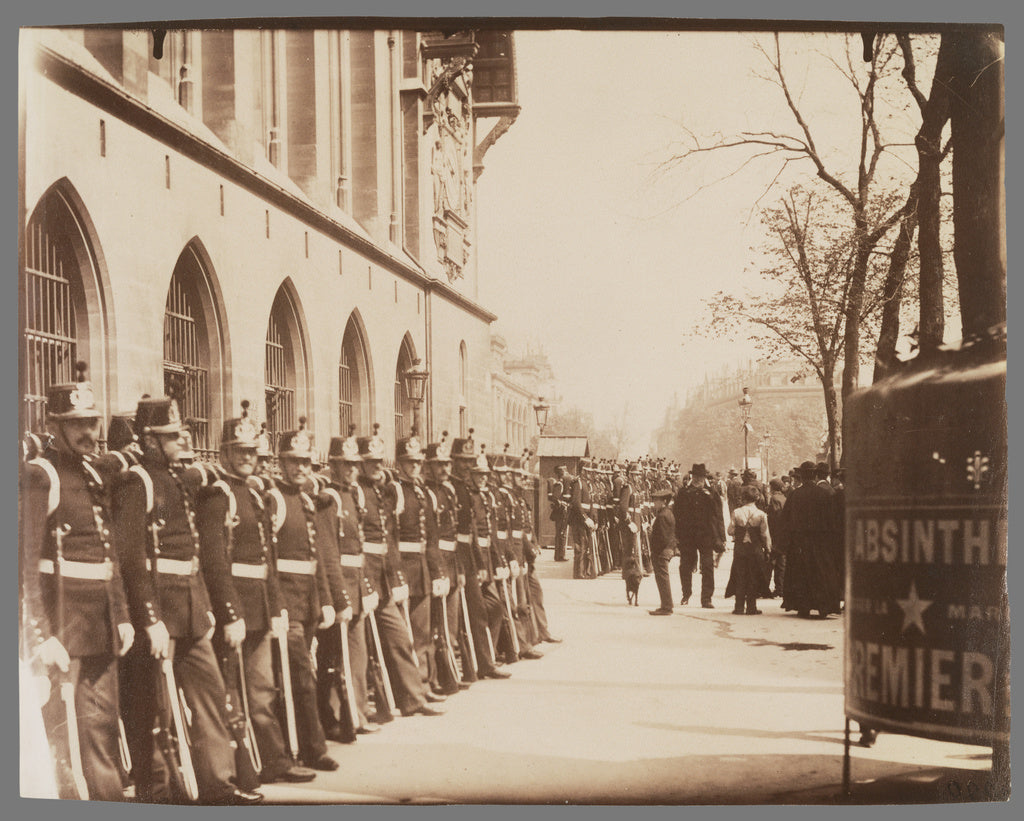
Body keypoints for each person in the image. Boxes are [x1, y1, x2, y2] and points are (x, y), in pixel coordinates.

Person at [113, 394, 264, 805]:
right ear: (148, 441)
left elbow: (195, 548)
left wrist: (206, 606)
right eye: (169, 437)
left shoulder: (180, 478)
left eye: (178, 435)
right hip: (160, 611)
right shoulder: (137, 481)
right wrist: (148, 618)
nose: (179, 442)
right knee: (154, 710)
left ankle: (219, 784)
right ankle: (158, 794)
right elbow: (130, 557)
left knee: (211, 695)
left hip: (192, 609)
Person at [20, 363, 135, 801]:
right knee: (64, 737)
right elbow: (23, 565)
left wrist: (122, 614)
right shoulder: (40, 474)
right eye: (77, 424)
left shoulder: (91, 473)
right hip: (64, 624)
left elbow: (109, 555)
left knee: (102, 727)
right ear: (54, 426)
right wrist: (41, 634)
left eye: (91, 422)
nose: (88, 432)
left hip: (100, 622)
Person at [194, 402, 316, 785]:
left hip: (262, 606)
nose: (247, 458)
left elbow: (270, 558)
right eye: (239, 451)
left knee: (262, 690)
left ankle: (274, 762)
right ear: (225, 452)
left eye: (252, 452)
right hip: (236, 608)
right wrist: (230, 614)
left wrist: (277, 606)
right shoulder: (218, 495)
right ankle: (241, 770)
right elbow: (214, 561)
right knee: (230, 692)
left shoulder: (255, 494)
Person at [263, 420, 343, 771]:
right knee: (299, 675)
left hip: (308, 602)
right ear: (281, 463)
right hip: (285, 604)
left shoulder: (308, 500)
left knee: (299, 675)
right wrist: (277, 606)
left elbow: (318, 556)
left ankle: (301, 744)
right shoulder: (273, 498)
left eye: (306, 462)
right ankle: (311, 747)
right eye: (293, 461)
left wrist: (325, 599)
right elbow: (266, 558)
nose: (300, 468)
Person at [357, 424, 448, 715]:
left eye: (418, 462)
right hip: (367, 576)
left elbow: (397, 537)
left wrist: (434, 573)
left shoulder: (398, 490)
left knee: (403, 636)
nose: (415, 467)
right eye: (409, 462)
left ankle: (414, 696)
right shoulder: (380, 490)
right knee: (374, 642)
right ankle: (376, 698)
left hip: (390, 574)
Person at [450, 431, 511, 679]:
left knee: (492, 607)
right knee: (469, 614)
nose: (467, 465)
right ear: (454, 461)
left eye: (470, 461)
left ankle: (485, 661)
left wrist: (479, 561)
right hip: (453, 559)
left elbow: (473, 529)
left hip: (471, 558)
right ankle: (476, 665)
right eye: (463, 461)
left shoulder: (465, 488)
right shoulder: (452, 489)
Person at [779, 461, 842, 618]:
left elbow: (785, 520)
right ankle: (823, 607)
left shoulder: (794, 495)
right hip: (821, 541)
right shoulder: (825, 495)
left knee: (800, 573)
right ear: (815, 475)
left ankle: (803, 606)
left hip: (799, 542)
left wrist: (785, 542)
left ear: (801, 475)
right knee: (821, 573)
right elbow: (832, 521)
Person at [673, 463, 726, 608]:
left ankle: (706, 598)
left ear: (704, 478)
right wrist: (676, 536)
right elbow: (676, 515)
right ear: (692, 477)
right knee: (685, 566)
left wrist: (722, 537)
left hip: (706, 535)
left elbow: (718, 516)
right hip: (687, 536)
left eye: (700, 477)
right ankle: (686, 594)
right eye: (695, 477)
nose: (698, 479)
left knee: (708, 567)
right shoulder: (684, 493)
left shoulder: (712, 493)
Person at [725, 485, 772, 614]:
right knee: (753, 577)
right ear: (756, 498)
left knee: (740, 576)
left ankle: (739, 607)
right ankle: (752, 607)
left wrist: (740, 532)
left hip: (740, 548)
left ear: (744, 498)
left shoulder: (737, 512)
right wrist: (768, 549)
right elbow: (764, 534)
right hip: (755, 549)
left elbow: (730, 531)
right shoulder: (761, 514)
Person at [647, 489, 678, 616]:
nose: (654, 503)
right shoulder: (667, 513)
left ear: (664, 501)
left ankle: (666, 606)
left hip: (661, 552)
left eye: (657, 500)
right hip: (665, 551)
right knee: (662, 578)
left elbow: (664, 537)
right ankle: (666, 605)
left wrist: (652, 537)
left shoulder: (663, 515)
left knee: (662, 579)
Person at [765, 478, 788, 597]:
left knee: (770, 562)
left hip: (775, 534)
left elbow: (773, 517)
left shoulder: (773, 498)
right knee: (781, 563)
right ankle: (780, 588)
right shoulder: (784, 498)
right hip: (783, 534)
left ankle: (765, 587)